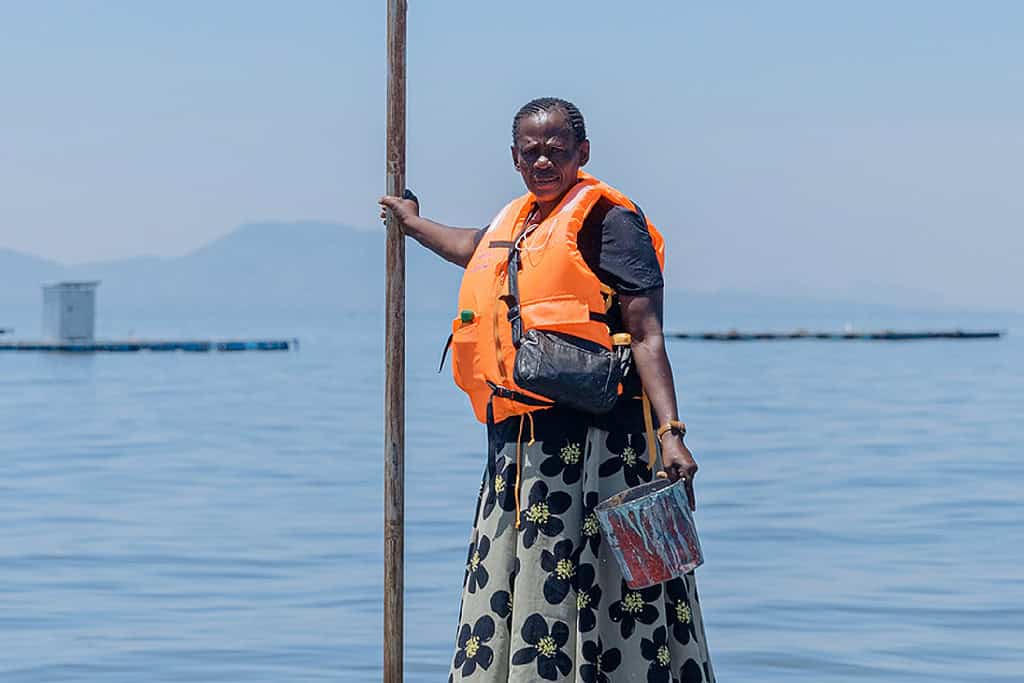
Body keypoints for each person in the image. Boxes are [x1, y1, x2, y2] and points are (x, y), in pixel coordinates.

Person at [380, 97, 714, 682]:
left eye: (556, 149)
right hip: (520, 449)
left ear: (581, 153)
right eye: (531, 151)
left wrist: (672, 435)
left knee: (603, 582)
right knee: (521, 573)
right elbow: (471, 247)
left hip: (598, 447)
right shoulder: (517, 222)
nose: (543, 160)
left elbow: (647, 334)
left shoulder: (609, 220)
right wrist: (412, 223)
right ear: (513, 158)